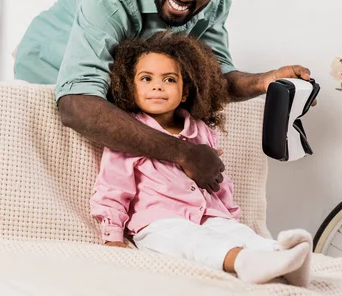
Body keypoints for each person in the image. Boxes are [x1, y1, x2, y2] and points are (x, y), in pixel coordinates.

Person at [13, 0, 312, 193]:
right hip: (47, 63)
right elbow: (76, 104)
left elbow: (216, 78)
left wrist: (265, 80)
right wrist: (182, 153)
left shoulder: (216, 3)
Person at [90, 32, 313, 286]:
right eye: (146, 78)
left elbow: (219, 180)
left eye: (169, 79)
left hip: (209, 215)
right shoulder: (129, 134)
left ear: (184, 92)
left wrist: (229, 216)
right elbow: (112, 189)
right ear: (132, 87)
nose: (157, 86)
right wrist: (113, 237)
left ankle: (283, 255)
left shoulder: (200, 130)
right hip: (158, 224)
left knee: (237, 233)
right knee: (193, 242)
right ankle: (245, 262)